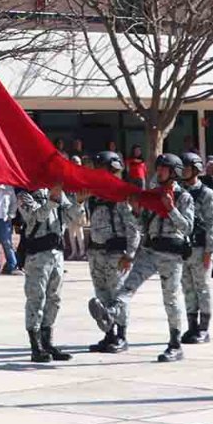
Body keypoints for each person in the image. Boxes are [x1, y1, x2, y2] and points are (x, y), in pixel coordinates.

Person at [105, 153, 193, 364]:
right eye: (159, 168)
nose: (159, 172)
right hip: (150, 251)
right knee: (128, 285)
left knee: (170, 299)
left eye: (163, 168)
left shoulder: (183, 198)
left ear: (174, 173)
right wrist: (136, 212)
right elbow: (142, 226)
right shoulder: (152, 195)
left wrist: (171, 208)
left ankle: (175, 344)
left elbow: (188, 227)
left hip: (171, 255)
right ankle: (110, 312)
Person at [15, 180, 84, 363]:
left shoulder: (55, 192)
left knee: (54, 299)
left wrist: (79, 202)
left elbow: (74, 217)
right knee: (36, 299)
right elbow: (34, 216)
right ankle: (35, 346)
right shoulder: (24, 195)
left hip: (56, 254)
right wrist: (52, 200)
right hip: (37, 256)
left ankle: (48, 342)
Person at [85, 151, 138, 353]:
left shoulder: (122, 195)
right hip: (96, 252)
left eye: (101, 168)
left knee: (118, 295)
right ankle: (108, 334)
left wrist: (130, 255)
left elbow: (134, 229)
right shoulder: (94, 194)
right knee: (102, 294)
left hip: (116, 254)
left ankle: (121, 336)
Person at [179, 153, 213, 343]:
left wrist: (210, 250)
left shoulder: (206, 193)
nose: (182, 171)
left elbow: (212, 223)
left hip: (200, 247)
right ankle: (191, 325)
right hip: (182, 248)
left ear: (195, 169)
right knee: (187, 288)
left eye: (186, 167)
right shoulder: (179, 192)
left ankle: (204, 328)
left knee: (201, 287)